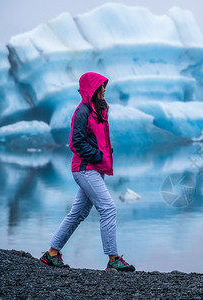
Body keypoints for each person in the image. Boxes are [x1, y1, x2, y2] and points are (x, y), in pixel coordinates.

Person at [40, 72, 135, 272]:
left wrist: (104, 154)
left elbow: (96, 139)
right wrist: (98, 155)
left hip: (94, 168)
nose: (104, 89)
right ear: (92, 89)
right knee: (108, 208)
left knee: (78, 213)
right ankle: (113, 259)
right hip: (85, 169)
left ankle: (51, 254)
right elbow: (76, 142)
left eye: (104, 86)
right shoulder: (83, 111)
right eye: (101, 86)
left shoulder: (98, 110)